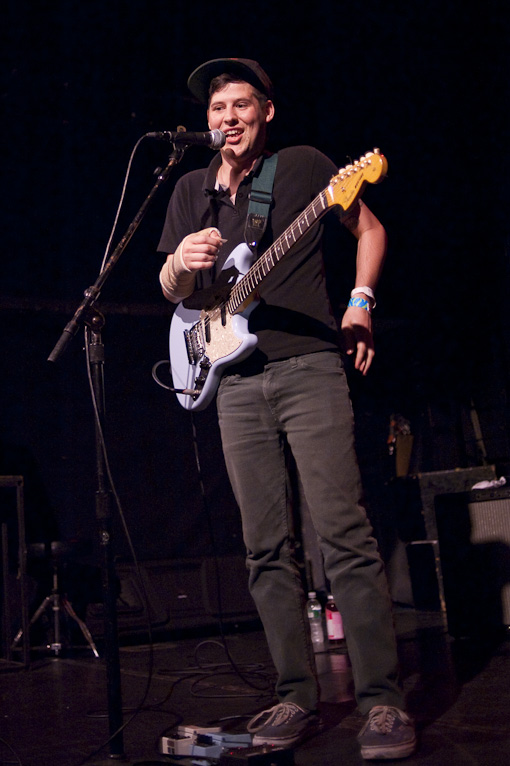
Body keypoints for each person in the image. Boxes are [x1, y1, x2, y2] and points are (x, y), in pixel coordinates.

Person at [158, 58, 416, 761]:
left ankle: (383, 702)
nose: (228, 118)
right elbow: (170, 285)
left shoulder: (303, 168)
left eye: (242, 105)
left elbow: (369, 229)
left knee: (343, 531)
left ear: (266, 111)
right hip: (234, 383)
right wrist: (182, 259)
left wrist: (360, 303)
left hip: (308, 368)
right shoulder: (187, 190)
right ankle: (296, 694)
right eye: (218, 109)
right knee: (265, 546)